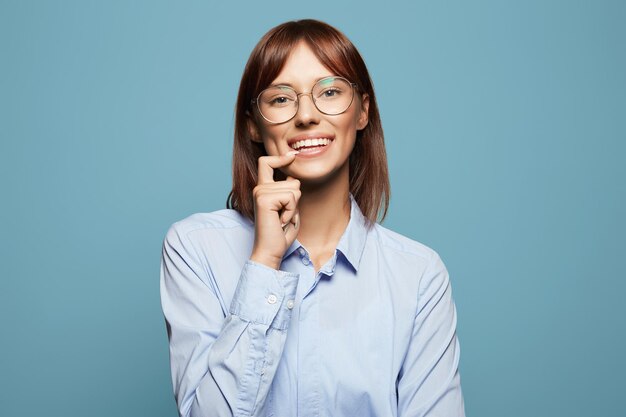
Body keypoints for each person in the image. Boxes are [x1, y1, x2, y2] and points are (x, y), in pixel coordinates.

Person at [160, 19, 465, 417]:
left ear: (362, 112)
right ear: (253, 124)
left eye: (331, 92)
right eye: (281, 98)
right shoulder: (195, 248)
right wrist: (265, 263)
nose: (307, 115)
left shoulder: (419, 274)